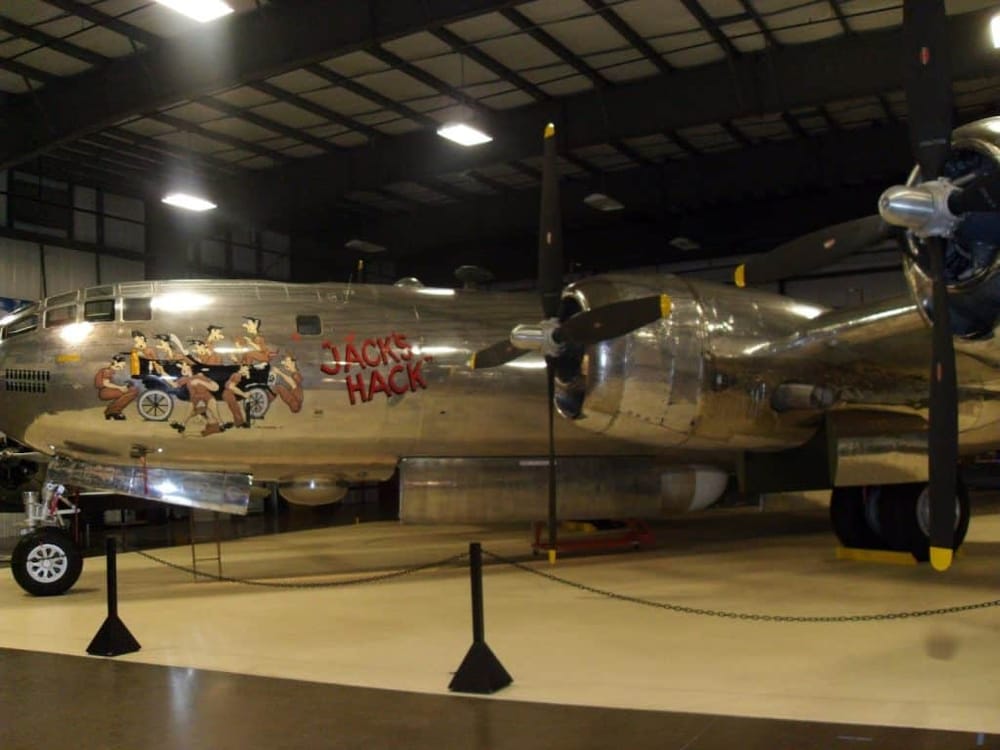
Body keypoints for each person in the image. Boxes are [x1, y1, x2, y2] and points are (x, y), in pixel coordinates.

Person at [170, 360, 222, 436]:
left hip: (204, 398)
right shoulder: (186, 379)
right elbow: (174, 385)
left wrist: (199, 381)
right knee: (193, 410)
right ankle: (182, 424)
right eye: (182, 367)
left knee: (200, 409)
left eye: (185, 366)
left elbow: (215, 387)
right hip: (197, 399)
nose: (183, 369)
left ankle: (182, 424)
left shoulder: (198, 377)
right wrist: (162, 372)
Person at [94, 355, 137, 420]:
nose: (122, 368)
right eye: (122, 365)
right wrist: (120, 388)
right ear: (115, 362)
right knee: (132, 391)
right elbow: (106, 383)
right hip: (105, 392)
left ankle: (111, 411)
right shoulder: (108, 371)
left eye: (123, 366)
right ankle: (113, 412)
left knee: (132, 390)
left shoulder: (110, 370)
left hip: (106, 390)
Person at [222, 363, 251, 428]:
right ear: (241, 368)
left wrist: (248, 375)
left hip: (228, 393)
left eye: (247, 370)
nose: (246, 371)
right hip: (228, 393)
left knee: (235, 408)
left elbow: (247, 382)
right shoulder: (237, 375)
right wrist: (243, 394)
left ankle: (239, 423)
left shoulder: (237, 375)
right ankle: (239, 423)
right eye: (246, 369)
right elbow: (231, 387)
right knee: (235, 408)